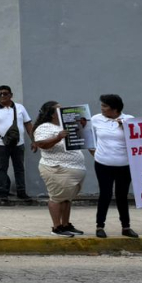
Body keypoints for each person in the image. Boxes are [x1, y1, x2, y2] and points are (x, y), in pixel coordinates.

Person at [32, 101, 88, 237]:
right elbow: (41, 144)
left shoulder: (64, 126)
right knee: (57, 198)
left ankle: (65, 224)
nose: (62, 110)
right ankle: (57, 227)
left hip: (73, 169)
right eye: (58, 110)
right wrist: (57, 137)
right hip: (57, 168)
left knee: (66, 199)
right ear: (51, 114)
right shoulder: (45, 127)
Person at [89, 94, 139, 239]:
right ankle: (100, 226)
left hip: (124, 165)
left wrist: (126, 128)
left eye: (105, 106)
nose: (102, 108)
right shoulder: (96, 119)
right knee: (105, 194)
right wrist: (94, 152)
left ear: (115, 108)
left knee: (122, 195)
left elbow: (139, 138)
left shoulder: (129, 119)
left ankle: (126, 227)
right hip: (103, 164)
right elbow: (89, 137)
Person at [0, 85, 36, 204]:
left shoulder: (20, 108)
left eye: (5, 93)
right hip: (1, 144)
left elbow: (28, 124)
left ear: (11, 95)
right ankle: (3, 194)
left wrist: (33, 140)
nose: (2, 96)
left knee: (19, 168)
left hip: (18, 143)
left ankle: (21, 192)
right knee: (2, 168)